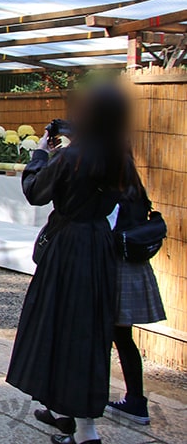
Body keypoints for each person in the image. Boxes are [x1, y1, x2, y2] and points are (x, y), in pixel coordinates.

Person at [7, 85, 139, 444]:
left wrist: (39, 154)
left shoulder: (73, 157)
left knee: (58, 328)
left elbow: (36, 192)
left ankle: (82, 429)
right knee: (89, 333)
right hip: (99, 246)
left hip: (67, 248)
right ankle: (75, 421)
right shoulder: (120, 157)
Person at [104, 180, 166, 426]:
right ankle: (136, 400)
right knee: (122, 336)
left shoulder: (110, 186)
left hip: (114, 266)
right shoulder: (133, 184)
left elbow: (107, 227)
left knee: (102, 335)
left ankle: (89, 399)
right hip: (132, 264)